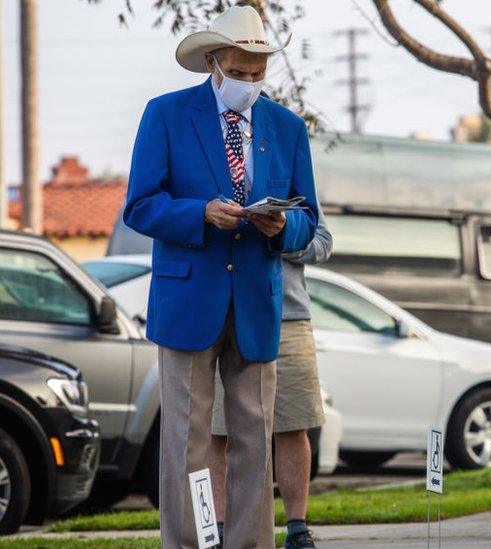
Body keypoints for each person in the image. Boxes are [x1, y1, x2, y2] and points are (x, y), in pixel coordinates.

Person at [123, 6, 319, 547]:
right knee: (186, 437)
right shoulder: (165, 114)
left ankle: (250, 544)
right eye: (239, 71)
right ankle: (187, 543)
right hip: (188, 301)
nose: (249, 83)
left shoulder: (287, 127)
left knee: (254, 436)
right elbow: (139, 206)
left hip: (258, 299)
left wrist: (282, 227)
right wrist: (199, 213)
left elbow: (311, 221)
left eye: (259, 74)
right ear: (214, 62)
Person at [209, 201, 332, 549]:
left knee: (294, 424)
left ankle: (297, 528)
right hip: (226, 313)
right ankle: (218, 530)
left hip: (288, 315)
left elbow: (322, 242)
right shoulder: (212, 170)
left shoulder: (289, 175)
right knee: (218, 430)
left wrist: (281, 233)